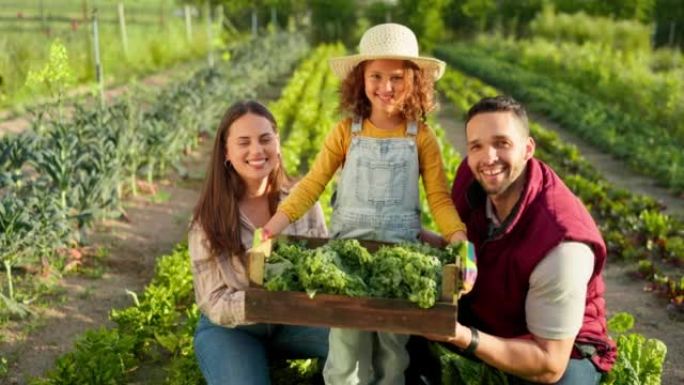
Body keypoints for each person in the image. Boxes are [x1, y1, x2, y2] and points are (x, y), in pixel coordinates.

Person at [263, 23, 467, 385]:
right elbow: (312, 184)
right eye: (376, 75)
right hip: (347, 259)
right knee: (346, 351)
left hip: (399, 261)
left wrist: (457, 238)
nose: (386, 87)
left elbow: (438, 197)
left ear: (415, 82)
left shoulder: (422, 137)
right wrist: (274, 226)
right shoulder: (345, 131)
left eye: (397, 77)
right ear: (361, 79)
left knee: (392, 354)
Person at [427, 95, 617, 384]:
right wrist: (411, 235)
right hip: (490, 311)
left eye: (501, 143)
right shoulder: (471, 175)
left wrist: (460, 336)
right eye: (476, 146)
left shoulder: (562, 245)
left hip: (554, 348)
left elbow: (549, 364)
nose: (488, 158)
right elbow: (464, 253)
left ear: (528, 149)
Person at [189, 100, 329, 385]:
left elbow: (324, 266)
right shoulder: (208, 219)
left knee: (362, 345)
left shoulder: (303, 202)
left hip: (295, 322)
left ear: (277, 144)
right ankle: (243, 359)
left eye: (265, 139)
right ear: (226, 153)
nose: (256, 151)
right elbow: (211, 300)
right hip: (232, 330)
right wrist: (264, 304)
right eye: (244, 142)